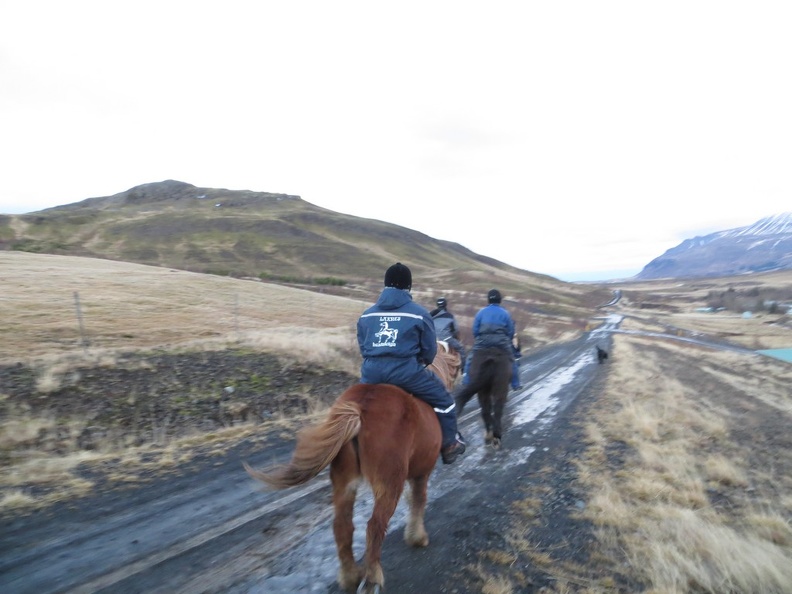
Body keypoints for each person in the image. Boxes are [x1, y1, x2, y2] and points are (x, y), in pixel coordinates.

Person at [356, 263, 466, 464]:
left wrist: (376, 360)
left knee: (353, 405)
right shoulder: (419, 313)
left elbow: (363, 346)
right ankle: (450, 444)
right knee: (445, 401)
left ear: (386, 284)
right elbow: (430, 351)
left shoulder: (367, 314)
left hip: (371, 373)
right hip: (406, 373)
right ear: (408, 286)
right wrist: (420, 362)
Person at [454, 289, 516, 413]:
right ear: (499, 300)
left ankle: (466, 380)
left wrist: (481, 339)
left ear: (488, 300)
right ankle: (515, 382)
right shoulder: (505, 313)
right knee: (511, 359)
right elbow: (510, 331)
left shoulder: (481, 312)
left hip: (483, 342)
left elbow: (475, 330)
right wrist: (505, 340)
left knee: (471, 358)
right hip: (501, 343)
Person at [429, 297, 466, 363]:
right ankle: (463, 370)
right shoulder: (450, 316)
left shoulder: (431, 315)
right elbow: (455, 330)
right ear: (445, 305)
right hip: (446, 339)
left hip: (433, 339)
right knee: (461, 349)